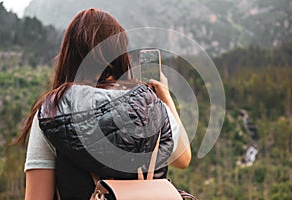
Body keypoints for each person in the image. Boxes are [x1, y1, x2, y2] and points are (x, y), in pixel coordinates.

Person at [16, 8, 191, 200]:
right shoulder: (152, 106)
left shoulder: (52, 110)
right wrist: (165, 98)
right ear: (120, 54)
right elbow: (183, 159)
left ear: (70, 55)